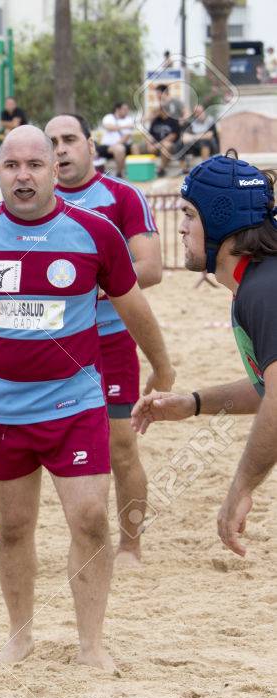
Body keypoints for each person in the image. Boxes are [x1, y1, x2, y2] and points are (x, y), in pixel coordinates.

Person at [0, 126, 174, 673]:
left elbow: (134, 305)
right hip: (0, 412)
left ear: (53, 172)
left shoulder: (94, 232)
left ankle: (91, 644)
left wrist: (162, 366)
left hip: (74, 406)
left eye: (34, 166)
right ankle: (19, 636)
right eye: (11, 166)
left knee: (90, 517)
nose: (23, 176)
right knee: (14, 528)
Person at [0, 114, 164, 572]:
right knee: (3, 431)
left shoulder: (119, 197)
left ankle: (130, 546)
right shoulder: (19, 206)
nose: (60, 150)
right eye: (51, 143)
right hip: (32, 344)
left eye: (69, 140)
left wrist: (83, 283)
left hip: (107, 339)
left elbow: (150, 269)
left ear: (90, 146)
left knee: (120, 445)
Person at [134, 156, 277, 557]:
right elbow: (267, 388)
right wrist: (193, 404)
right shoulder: (255, 282)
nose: (179, 227)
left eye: (189, 214)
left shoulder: (264, 290)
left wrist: (241, 488)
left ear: (222, 221)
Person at [97, 102, 135, 177]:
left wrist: (116, 145)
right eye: (124, 109)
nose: (127, 111)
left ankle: (131, 172)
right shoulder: (109, 117)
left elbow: (127, 136)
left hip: (121, 145)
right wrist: (126, 126)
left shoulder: (129, 119)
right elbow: (108, 127)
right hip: (106, 146)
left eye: (127, 109)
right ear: (118, 109)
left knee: (130, 147)